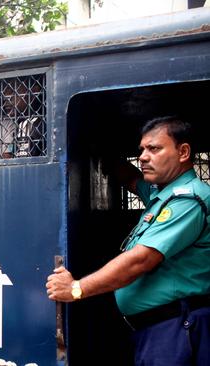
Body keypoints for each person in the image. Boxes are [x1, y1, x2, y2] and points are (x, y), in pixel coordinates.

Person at [45, 117, 210, 366]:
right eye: (142, 149)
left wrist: (75, 289)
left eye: (154, 149)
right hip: (160, 329)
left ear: (183, 152)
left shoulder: (187, 200)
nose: (143, 156)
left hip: (176, 328)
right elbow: (132, 179)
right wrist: (99, 150)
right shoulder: (161, 194)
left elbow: (140, 260)